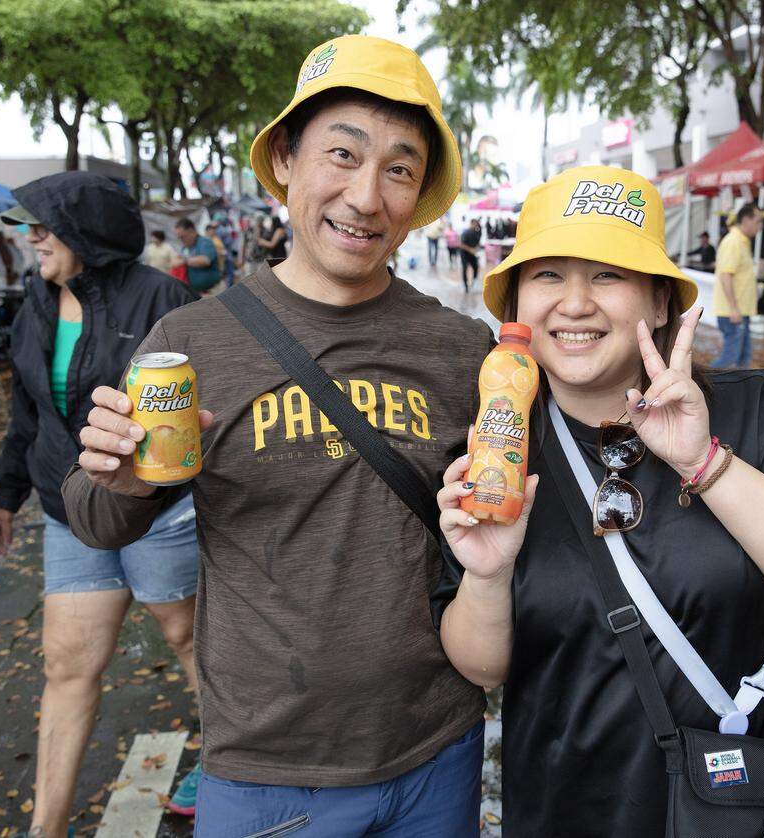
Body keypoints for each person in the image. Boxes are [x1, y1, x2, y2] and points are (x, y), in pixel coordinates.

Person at [63, 35, 494, 835]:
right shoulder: (193, 341)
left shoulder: (462, 352)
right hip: (267, 770)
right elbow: (94, 516)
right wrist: (116, 484)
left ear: (419, 194)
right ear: (288, 161)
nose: (366, 196)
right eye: (342, 154)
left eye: (399, 169)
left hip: (438, 746)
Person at [431, 167, 764, 836]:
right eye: (548, 275)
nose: (574, 303)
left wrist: (704, 461)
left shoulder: (754, 411)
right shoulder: (497, 451)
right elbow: (481, 666)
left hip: (741, 811)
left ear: (660, 302)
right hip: (566, 809)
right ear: (516, 305)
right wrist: (488, 574)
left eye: (608, 274)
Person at [0, 172, 199, 838]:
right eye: (28, 227)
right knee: (67, 664)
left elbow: (196, 413)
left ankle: (232, 759)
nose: (32, 239)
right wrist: (4, 493)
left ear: (86, 231)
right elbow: (29, 411)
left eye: (44, 226)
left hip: (157, 514)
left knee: (190, 639)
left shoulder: (164, 300)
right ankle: (45, 829)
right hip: (65, 511)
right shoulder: (35, 301)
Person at [711, 202, 762, 369]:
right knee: (730, 358)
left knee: (743, 357)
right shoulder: (733, 242)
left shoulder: (741, 241)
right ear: (746, 220)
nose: (760, 227)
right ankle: (702, 384)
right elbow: (725, 275)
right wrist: (733, 308)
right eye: (758, 222)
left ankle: (738, 393)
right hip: (732, 312)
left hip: (740, 310)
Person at [172, 218, 221, 295]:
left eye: (183, 236)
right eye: (179, 238)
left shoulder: (204, 242)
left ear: (191, 231)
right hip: (196, 292)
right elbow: (176, 262)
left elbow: (205, 260)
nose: (181, 240)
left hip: (211, 292)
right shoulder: (185, 247)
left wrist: (184, 260)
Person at [459, 217, 482, 292]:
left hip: (472, 254)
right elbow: (461, 244)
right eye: (475, 224)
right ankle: (465, 286)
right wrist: (470, 250)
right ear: (471, 224)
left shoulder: (477, 233)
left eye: (477, 225)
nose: (476, 226)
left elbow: (478, 243)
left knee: (476, 267)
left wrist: (476, 249)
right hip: (464, 253)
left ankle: (474, 282)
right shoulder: (465, 233)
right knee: (465, 268)